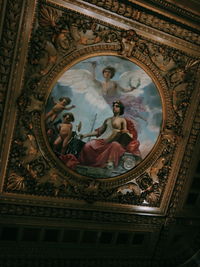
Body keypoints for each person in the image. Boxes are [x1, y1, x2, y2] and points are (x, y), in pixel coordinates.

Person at [79, 100, 141, 169]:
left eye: (117, 106)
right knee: (88, 145)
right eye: (113, 106)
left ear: (120, 109)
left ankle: (109, 163)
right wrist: (85, 135)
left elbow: (125, 132)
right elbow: (99, 132)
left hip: (112, 142)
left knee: (115, 145)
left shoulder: (122, 120)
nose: (114, 107)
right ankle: (88, 163)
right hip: (102, 140)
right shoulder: (107, 119)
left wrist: (126, 133)